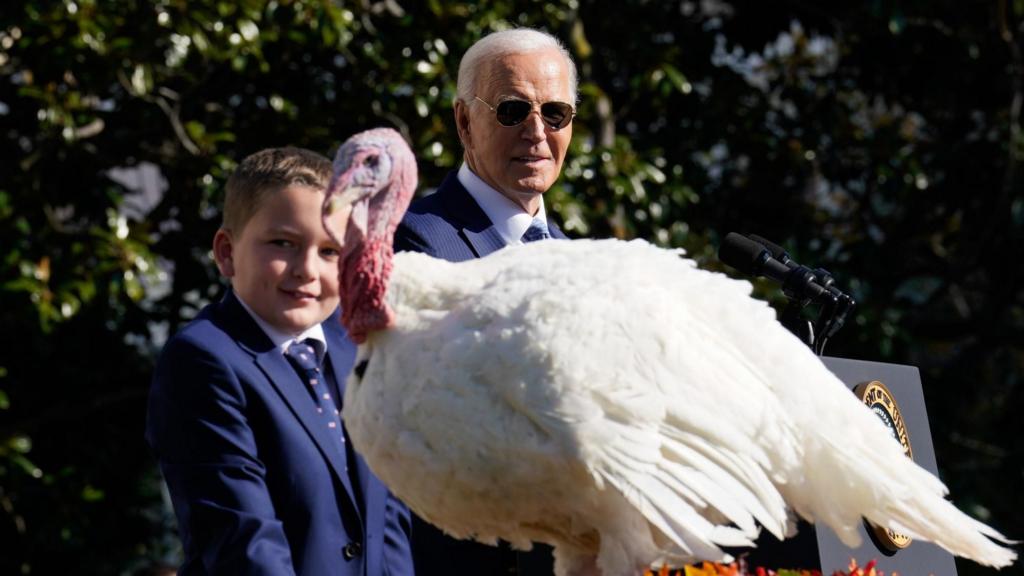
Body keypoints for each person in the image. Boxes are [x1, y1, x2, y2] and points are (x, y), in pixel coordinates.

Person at [146, 147, 415, 576]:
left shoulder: (358, 348)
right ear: (226, 252)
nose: (307, 269)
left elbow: (389, 524)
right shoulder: (204, 360)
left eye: (329, 251)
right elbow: (243, 541)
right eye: (283, 244)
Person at [394, 28, 578, 576]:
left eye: (556, 114)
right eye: (513, 109)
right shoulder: (415, 243)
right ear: (463, 121)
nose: (536, 132)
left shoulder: (580, 262)